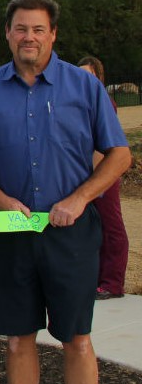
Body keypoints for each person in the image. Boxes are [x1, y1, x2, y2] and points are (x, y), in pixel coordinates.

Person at [0, 0, 130, 384]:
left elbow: (119, 155)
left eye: (37, 29)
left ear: (53, 34)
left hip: (70, 235)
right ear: (7, 34)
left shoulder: (84, 86)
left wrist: (80, 198)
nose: (28, 36)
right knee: (18, 340)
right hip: (8, 234)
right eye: (20, 29)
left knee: (77, 339)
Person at [78, 56, 128, 300]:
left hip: (102, 176)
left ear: (99, 77)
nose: (84, 80)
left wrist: (97, 179)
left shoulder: (104, 102)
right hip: (86, 177)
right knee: (93, 229)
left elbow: (107, 145)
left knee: (111, 227)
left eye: (89, 75)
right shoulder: (80, 102)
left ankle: (113, 283)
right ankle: (97, 278)